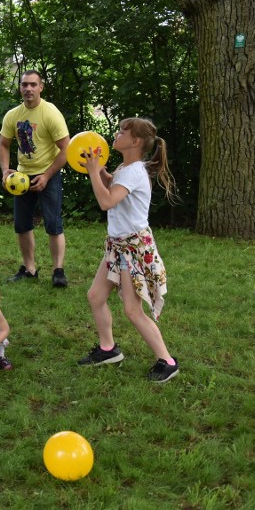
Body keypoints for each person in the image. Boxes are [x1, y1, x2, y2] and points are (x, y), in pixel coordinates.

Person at [77, 117, 179, 383]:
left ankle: (167, 361)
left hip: (132, 249)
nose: (117, 133)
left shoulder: (134, 171)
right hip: (119, 245)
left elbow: (107, 201)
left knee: (133, 311)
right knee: (96, 296)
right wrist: (100, 170)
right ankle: (108, 349)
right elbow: (113, 184)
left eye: (122, 131)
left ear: (134, 141)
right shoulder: (127, 167)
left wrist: (92, 172)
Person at [0, 70, 70, 288]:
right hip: (22, 177)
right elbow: (3, 145)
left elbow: (66, 149)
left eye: (32, 85)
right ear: (20, 88)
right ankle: (29, 270)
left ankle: (58, 271)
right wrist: (4, 171)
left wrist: (47, 175)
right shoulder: (13, 115)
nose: (28, 89)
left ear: (41, 87)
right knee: (22, 225)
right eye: (24, 85)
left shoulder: (50, 113)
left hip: (49, 174)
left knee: (53, 224)